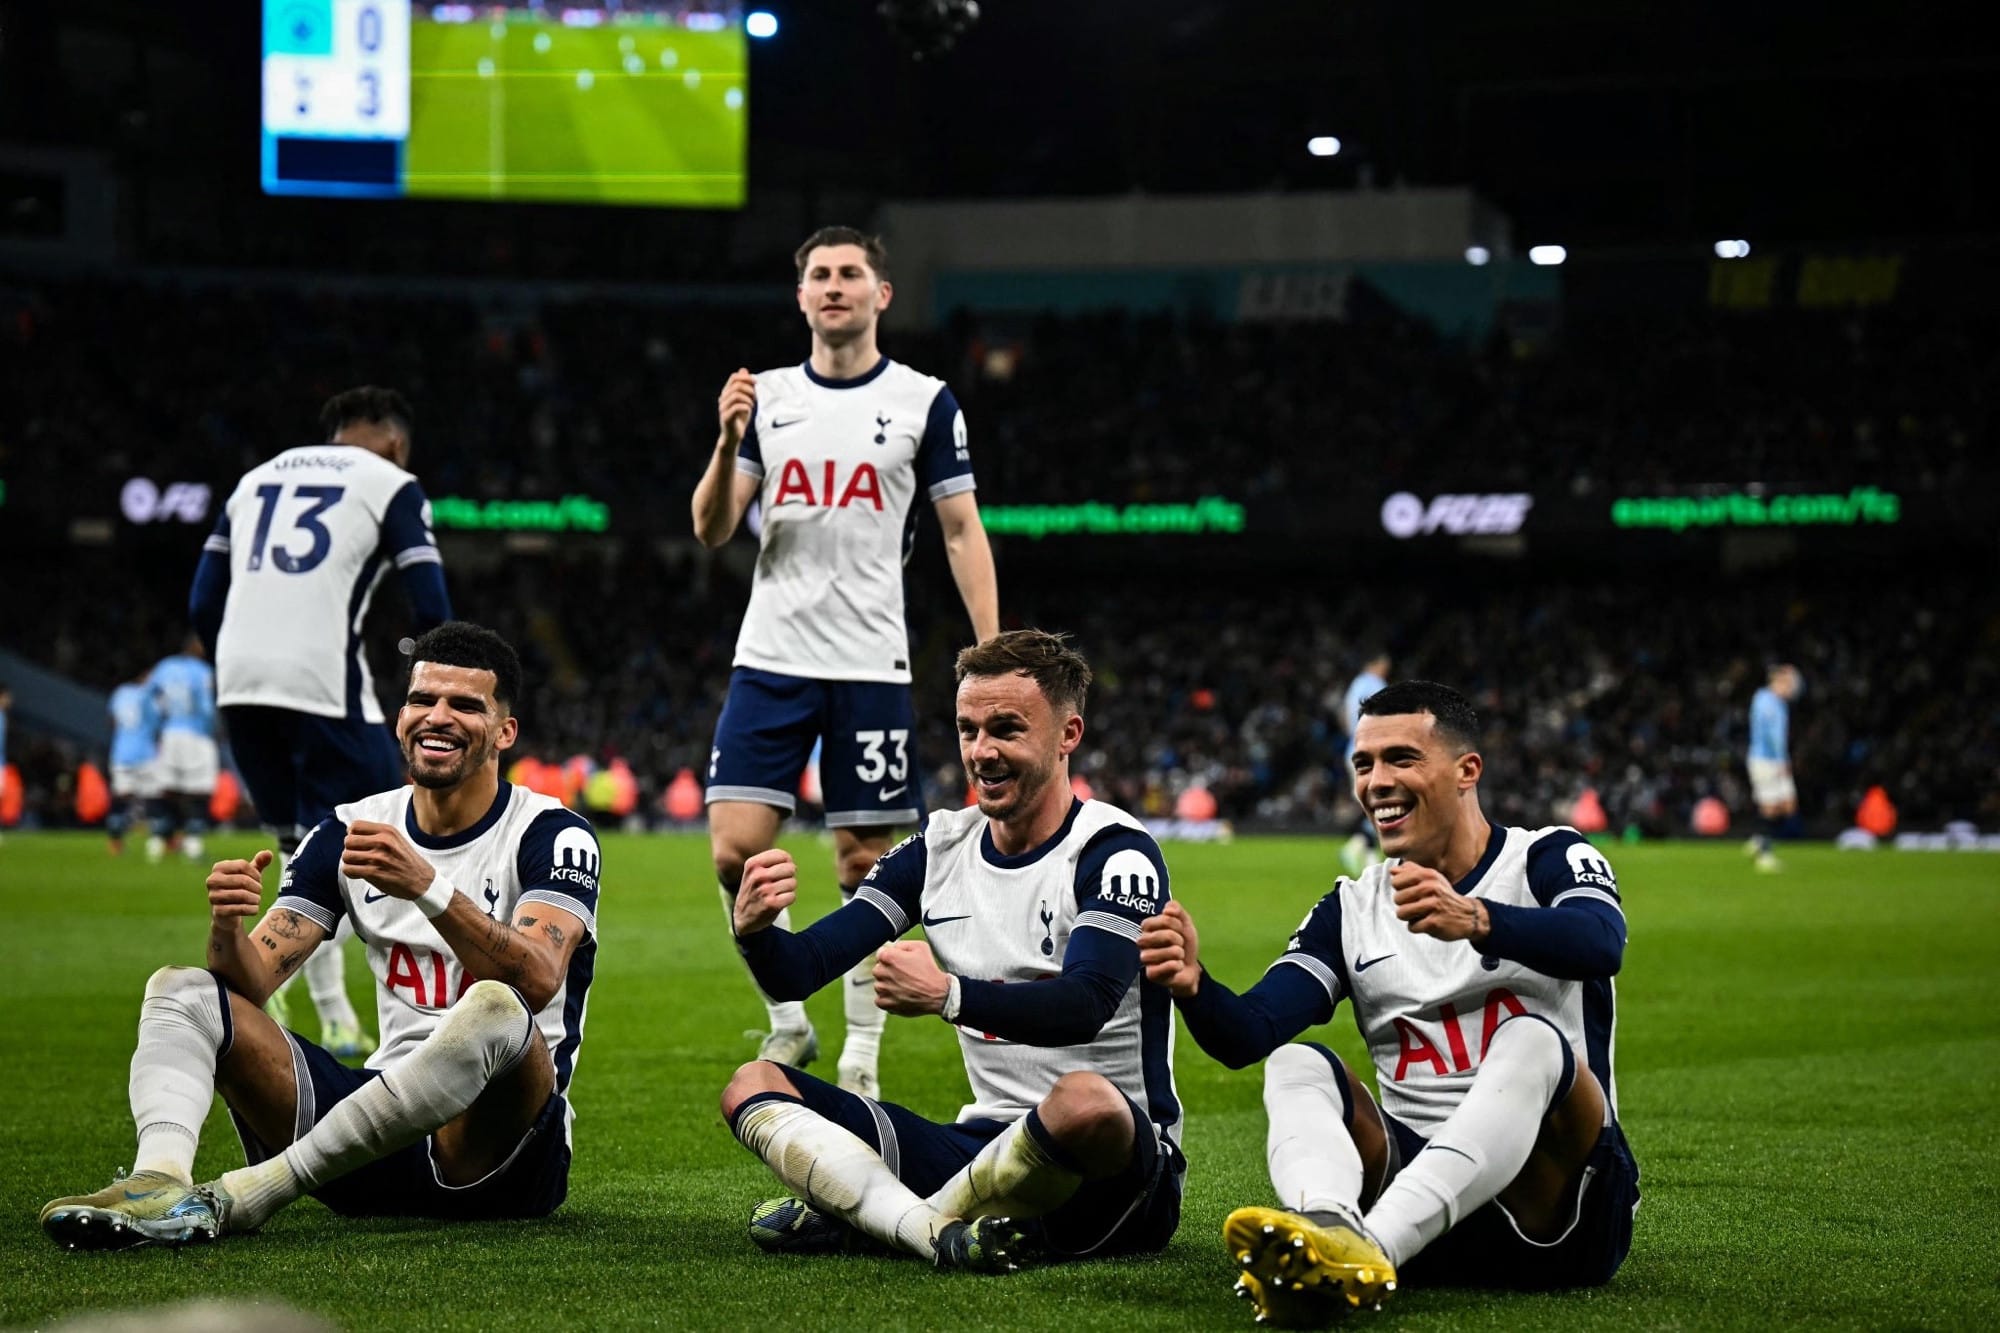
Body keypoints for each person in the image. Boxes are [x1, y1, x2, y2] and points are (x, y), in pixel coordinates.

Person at [40, 622, 600, 1249]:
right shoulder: (348, 830)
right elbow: (250, 985)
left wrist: (428, 887)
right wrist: (226, 931)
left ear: (505, 731)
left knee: (494, 1006)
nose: (437, 718)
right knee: (182, 990)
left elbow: (537, 977)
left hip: (499, 1156)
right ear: (400, 716)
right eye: (422, 700)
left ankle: (249, 1196)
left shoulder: (552, 835)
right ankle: (159, 1182)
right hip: (369, 1142)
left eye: (465, 705)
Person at [1138, 681, 1636, 1322]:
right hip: (1422, 1202)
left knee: (1532, 1038)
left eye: (1401, 758)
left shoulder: (1547, 857)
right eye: (1364, 764)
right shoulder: (1351, 908)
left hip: (1559, 1213)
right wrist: (1193, 984)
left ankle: (1368, 1248)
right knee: (1297, 1064)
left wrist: (1480, 919)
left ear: (1466, 770)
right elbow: (1248, 1035)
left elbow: (1601, 942)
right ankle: (1330, 1223)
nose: (1377, 782)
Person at [719, 630, 1182, 1271]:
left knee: (1085, 1100)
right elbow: (800, 970)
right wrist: (757, 933)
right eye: (968, 730)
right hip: (980, 1141)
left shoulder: (1114, 853)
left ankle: (872, 1210)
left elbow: (1087, 1003)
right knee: (753, 1083)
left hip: (1116, 1168)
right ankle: (931, 1228)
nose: (982, 752)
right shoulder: (940, 848)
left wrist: (949, 996)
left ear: (1068, 735)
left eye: (1006, 729)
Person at [692, 226, 999, 1097]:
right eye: (819, 275)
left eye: (850, 274)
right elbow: (714, 528)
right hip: (772, 655)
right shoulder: (768, 398)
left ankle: (863, 1051)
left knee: (865, 861)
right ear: (801, 298)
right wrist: (724, 443)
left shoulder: (923, 401)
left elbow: (959, 527)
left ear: (881, 294)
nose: (834, 286)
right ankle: (791, 1018)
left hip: (871, 660)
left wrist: (988, 646)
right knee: (733, 850)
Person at [190, 386, 453, 1059]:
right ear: (396, 442)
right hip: (322, 684)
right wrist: (436, 688)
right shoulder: (393, 481)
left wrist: (241, 661)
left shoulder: (255, 480)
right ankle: (372, 1012)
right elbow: (429, 603)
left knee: (297, 845)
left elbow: (201, 601)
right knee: (370, 836)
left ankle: (317, 1003)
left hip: (241, 682)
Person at [145, 637, 220, 863]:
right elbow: (206, 707)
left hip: (169, 733)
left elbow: (150, 699)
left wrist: (157, 727)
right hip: (195, 734)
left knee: (167, 788)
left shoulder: (165, 667)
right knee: (199, 789)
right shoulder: (202, 671)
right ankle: (193, 844)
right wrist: (213, 730)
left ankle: (159, 840)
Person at [1339, 650, 1391, 876]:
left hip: (1354, 749)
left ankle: (1366, 853)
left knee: (1372, 801)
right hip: (1372, 751)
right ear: (1377, 664)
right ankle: (1359, 847)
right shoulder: (1376, 684)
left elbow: (1344, 716)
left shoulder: (1355, 685)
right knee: (1380, 800)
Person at [1746, 663, 1801, 872]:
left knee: (1787, 805)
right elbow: (1771, 735)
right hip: (1765, 759)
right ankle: (1764, 853)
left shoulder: (1777, 702)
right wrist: (1781, 760)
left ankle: (1758, 839)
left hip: (1775, 759)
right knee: (1769, 807)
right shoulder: (1765, 700)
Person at [107, 669, 164, 855]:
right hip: (144, 754)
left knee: (121, 799)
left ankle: (115, 843)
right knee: (153, 799)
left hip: (120, 753)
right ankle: (157, 843)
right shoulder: (148, 696)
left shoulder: (121, 692)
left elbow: (113, 721)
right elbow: (157, 723)